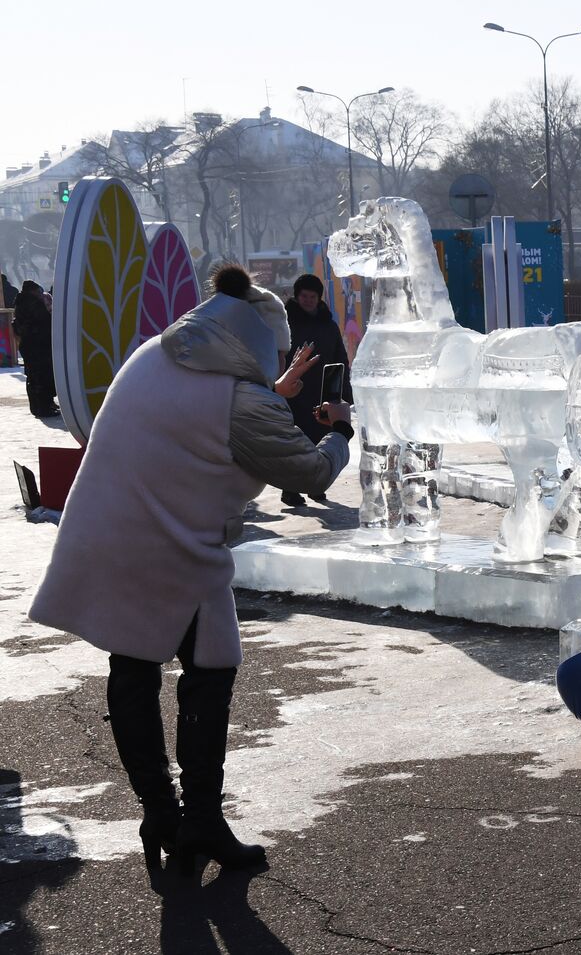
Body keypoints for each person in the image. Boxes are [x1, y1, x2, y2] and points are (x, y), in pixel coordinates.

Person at [29, 263, 355, 876]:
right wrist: (340, 432)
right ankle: (201, 818)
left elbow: (195, 420)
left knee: (132, 667)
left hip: (108, 532)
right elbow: (307, 472)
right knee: (209, 668)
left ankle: (161, 812)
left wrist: (272, 393)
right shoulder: (242, 400)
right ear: (259, 342)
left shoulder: (153, 353)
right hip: (174, 545)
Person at [281, 273, 354, 508]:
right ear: (297, 296)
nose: (308, 301)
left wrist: (344, 391)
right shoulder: (286, 324)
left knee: (321, 440)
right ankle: (290, 489)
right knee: (295, 442)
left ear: (319, 298)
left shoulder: (328, 325)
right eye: (304, 296)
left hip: (322, 393)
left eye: (313, 297)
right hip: (293, 392)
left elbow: (340, 359)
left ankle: (316, 486)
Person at [12, 279, 58, 417]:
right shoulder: (34, 304)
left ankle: (41, 405)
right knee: (42, 377)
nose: (40, 293)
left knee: (33, 377)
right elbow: (44, 321)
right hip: (38, 345)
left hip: (28, 345)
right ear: (33, 291)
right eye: (38, 291)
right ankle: (43, 407)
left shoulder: (20, 303)